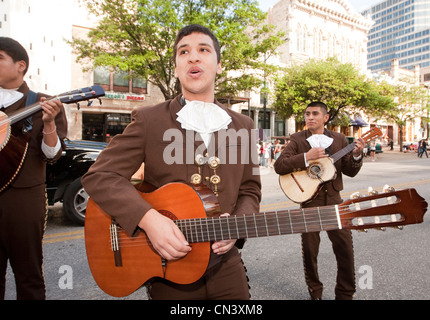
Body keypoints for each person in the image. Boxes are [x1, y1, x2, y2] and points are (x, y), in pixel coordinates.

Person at [82, 24, 261, 300]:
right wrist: (148, 219)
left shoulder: (244, 125)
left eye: (204, 50)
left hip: (226, 263)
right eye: (183, 52)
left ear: (219, 65)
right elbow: (101, 176)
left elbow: (250, 190)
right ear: (177, 67)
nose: (193, 57)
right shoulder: (149, 119)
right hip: (169, 267)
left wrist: (238, 225)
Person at [274, 101, 364, 300]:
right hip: (309, 202)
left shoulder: (340, 139)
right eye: (307, 114)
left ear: (325, 118)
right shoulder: (298, 139)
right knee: (310, 251)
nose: (310, 117)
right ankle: (315, 292)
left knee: (345, 249)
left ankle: (345, 293)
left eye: (315, 113)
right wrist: (306, 156)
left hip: (333, 200)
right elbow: (280, 166)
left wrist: (356, 155)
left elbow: (350, 171)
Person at [0, 37, 67, 299]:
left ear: (20, 66)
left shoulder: (43, 103)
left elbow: (52, 155)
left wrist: (49, 124)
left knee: (28, 275)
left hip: (24, 200)